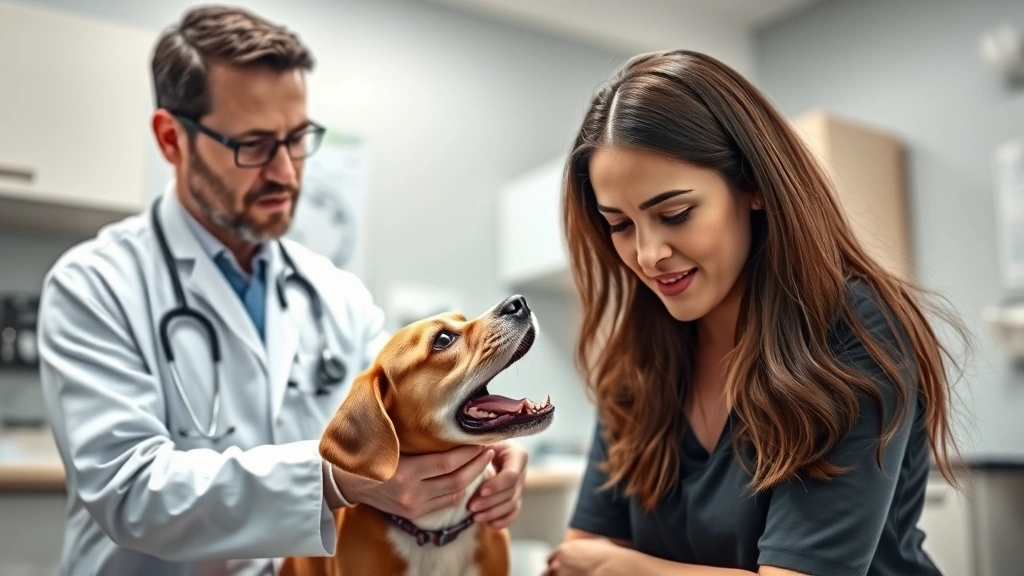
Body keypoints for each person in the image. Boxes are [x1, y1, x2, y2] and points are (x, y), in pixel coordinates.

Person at [36, 6, 528, 575]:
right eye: (253, 144)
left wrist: (490, 450)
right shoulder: (94, 286)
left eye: (297, 139)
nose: (288, 173)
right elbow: (130, 490)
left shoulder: (335, 296)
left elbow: (415, 408)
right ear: (172, 140)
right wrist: (330, 482)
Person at [544, 50, 970, 576]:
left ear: (754, 187)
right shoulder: (640, 352)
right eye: (621, 225)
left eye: (674, 214)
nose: (648, 254)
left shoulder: (855, 330)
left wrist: (622, 567)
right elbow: (578, 554)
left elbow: (594, 561)